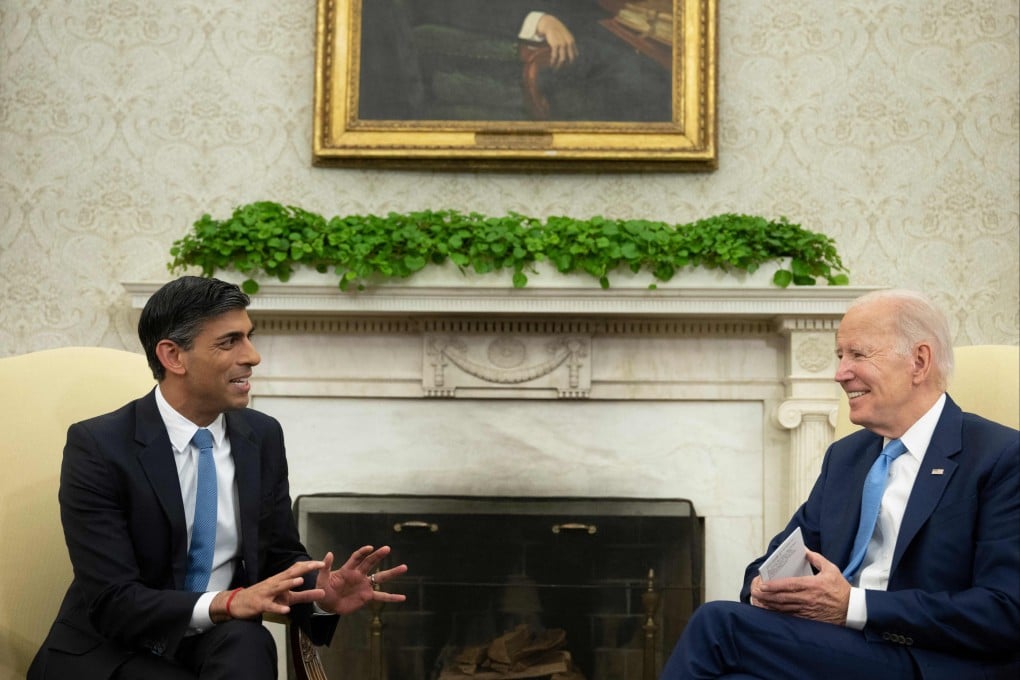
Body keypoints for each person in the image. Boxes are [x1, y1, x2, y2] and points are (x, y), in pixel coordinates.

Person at [28, 276, 409, 680]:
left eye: (249, 337)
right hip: (112, 650)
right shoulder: (99, 446)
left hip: (212, 643)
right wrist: (228, 603)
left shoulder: (260, 435)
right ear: (174, 356)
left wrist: (321, 592)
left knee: (250, 642)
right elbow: (113, 599)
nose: (253, 356)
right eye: (229, 342)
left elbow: (279, 554)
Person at [660, 289, 1020, 679]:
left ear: (919, 361)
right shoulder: (847, 458)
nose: (840, 373)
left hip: (927, 658)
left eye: (858, 355)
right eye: (839, 355)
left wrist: (852, 605)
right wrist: (763, 588)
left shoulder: (1000, 457)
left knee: (718, 624)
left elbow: (1003, 610)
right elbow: (776, 559)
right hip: (837, 648)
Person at [358, 0, 670, 121]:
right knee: (642, 80)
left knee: (658, 66)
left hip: (581, 26)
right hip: (508, 46)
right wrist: (538, 19)